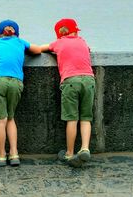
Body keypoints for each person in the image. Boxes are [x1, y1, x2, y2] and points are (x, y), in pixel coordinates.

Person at [0, 19, 41, 166]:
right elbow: (37, 50)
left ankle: (1, 155)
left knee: (0, 120)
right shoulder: (20, 43)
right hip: (16, 82)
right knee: (11, 118)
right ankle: (14, 153)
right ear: (17, 34)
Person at [41, 18, 95, 167]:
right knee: (86, 118)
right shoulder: (82, 41)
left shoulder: (58, 43)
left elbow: (40, 49)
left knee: (72, 119)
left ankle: (70, 153)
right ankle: (85, 148)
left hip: (70, 81)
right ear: (75, 30)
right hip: (89, 80)